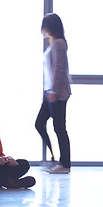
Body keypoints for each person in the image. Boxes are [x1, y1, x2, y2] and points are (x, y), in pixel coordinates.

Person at [35, 13, 72, 174]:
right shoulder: (54, 44)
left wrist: (54, 91)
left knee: (59, 128)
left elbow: (59, 70)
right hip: (49, 92)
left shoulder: (59, 44)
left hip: (56, 94)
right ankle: (54, 158)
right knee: (39, 123)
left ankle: (65, 164)